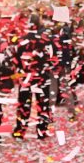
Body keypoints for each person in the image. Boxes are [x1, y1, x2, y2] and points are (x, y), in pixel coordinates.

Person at [12, 12, 54, 140]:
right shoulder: (46, 40)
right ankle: (42, 130)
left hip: (26, 76)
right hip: (42, 75)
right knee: (43, 103)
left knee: (24, 104)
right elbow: (52, 57)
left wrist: (20, 72)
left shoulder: (21, 40)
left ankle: (20, 130)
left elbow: (15, 58)